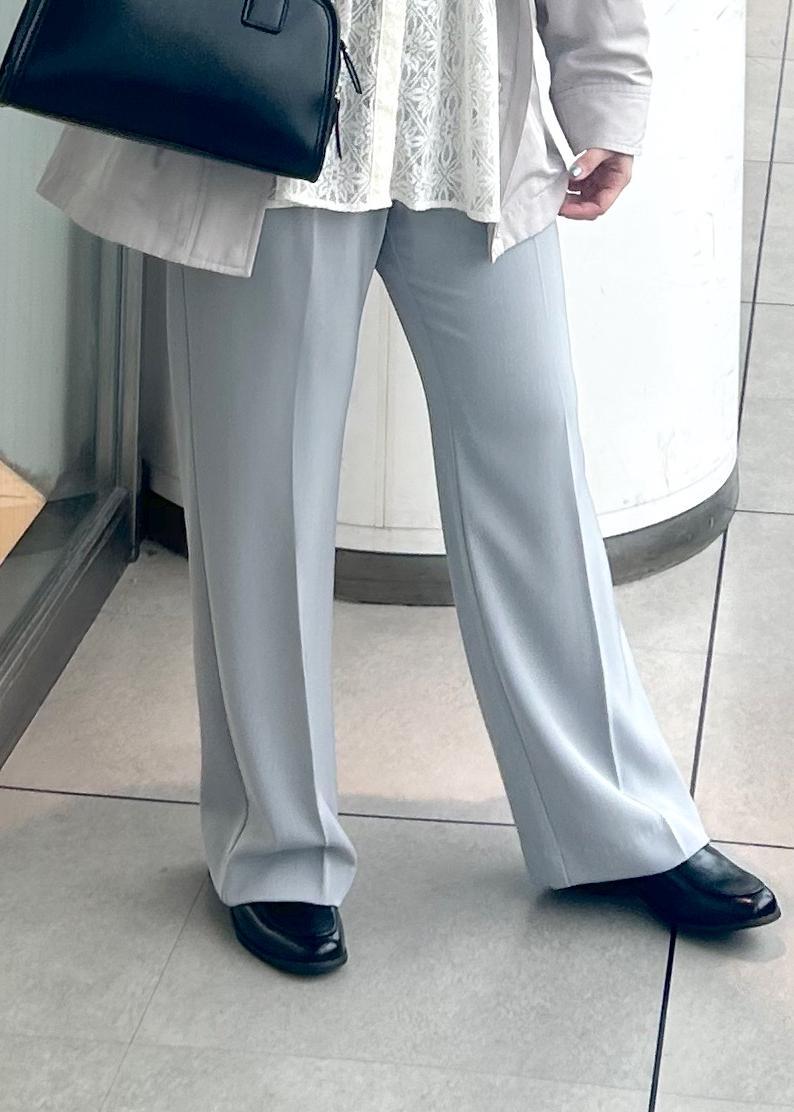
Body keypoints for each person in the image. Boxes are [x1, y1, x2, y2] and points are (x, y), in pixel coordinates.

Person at [35, 0, 780, 977]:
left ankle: (616, 820)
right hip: (272, 104)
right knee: (263, 496)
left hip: (464, 107)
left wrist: (603, 83)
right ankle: (277, 847)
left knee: (532, 463)